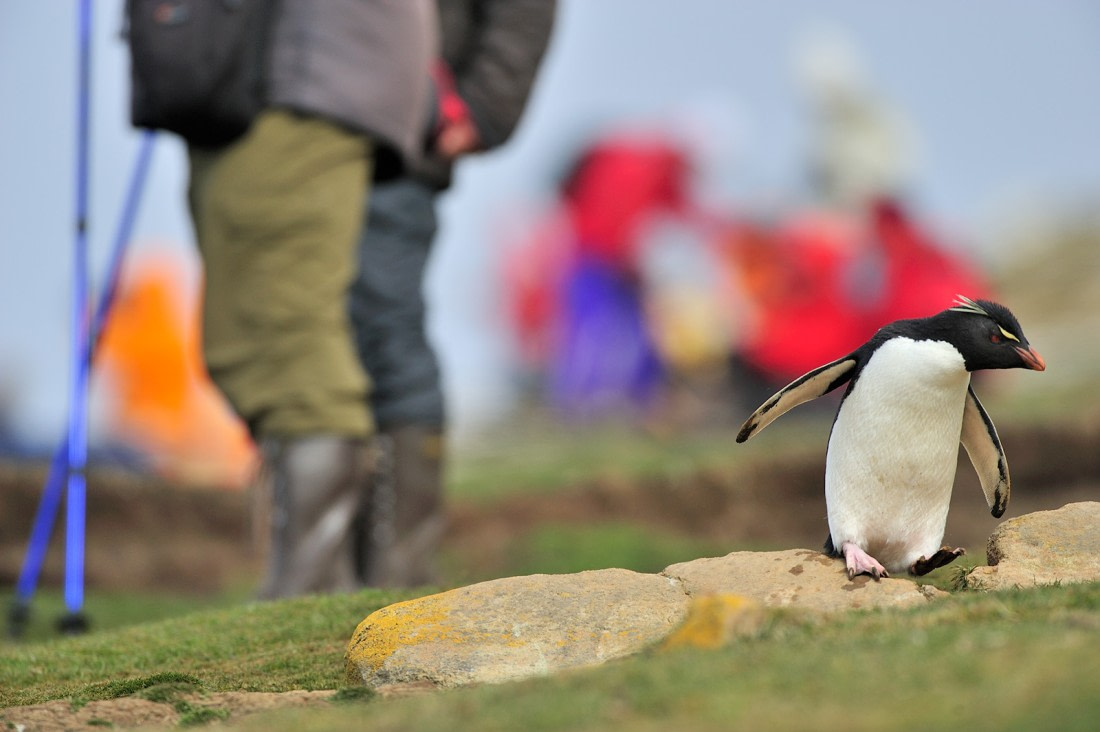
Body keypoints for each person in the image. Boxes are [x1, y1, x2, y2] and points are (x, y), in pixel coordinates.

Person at [184, 1, 437, 598]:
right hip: (281, 73)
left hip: (300, 76)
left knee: (288, 335)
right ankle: (316, 577)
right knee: (251, 336)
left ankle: (312, 584)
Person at [349, 0, 557, 587]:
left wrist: (479, 111)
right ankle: (330, 572)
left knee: (387, 335)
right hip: (306, 142)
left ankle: (397, 568)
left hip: (399, 147)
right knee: (302, 351)